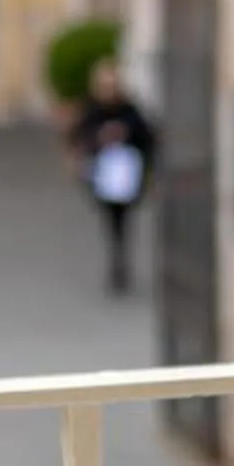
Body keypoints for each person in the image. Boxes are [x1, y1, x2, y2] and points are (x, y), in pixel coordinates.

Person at [67, 59, 157, 296]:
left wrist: (125, 135)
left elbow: (147, 137)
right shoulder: (92, 109)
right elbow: (78, 136)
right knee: (111, 221)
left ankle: (120, 261)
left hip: (127, 172)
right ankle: (117, 261)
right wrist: (100, 138)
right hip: (103, 173)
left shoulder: (129, 108)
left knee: (124, 220)